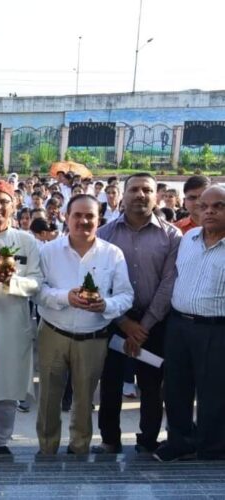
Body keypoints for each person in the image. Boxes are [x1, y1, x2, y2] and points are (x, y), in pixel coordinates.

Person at [35, 194, 134, 455]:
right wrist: (65, 297)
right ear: (66, 217)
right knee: (48, 398)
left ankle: (79, 448)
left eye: (89, 215)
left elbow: (126, 295)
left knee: (84, 399)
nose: (83, 221)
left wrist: (106, 306)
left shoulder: (112, 254)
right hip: (53, 332)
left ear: (99, 219)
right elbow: (37, 291)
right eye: (77, 215)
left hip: (93, 337)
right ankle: (46, 447)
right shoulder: (49, 251)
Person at [93, 173, 181, 455]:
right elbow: (99, 282)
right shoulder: (104, 233)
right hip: (113, 320)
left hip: (155, 322)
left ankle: (147, 440)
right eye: (134, 190)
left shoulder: (171, 236)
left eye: (147, 190)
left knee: (151, 385)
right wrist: (124, 322)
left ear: (156, 195)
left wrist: (143, 326)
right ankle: (109, 440)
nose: (140, 195)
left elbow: (169, 282)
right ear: (123, 193)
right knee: (110, 382)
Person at [154, 185, 225, 462]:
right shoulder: (189, 238)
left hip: (216, 330)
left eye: (218, 206)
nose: (208, 211)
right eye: (203, 205)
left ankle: (213, 448)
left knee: (214, 392)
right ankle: (180, 440)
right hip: (179, 326)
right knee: (175, 387)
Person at [0, 181, 42, 455]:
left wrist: (12, 282)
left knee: (8, 385)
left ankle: (1, 439)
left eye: (3, 201)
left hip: (15, 322)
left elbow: (37, 282)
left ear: (14, 206)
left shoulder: (27, 240)